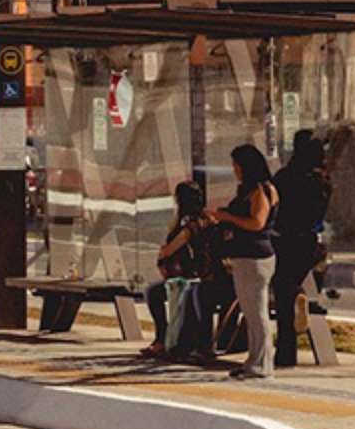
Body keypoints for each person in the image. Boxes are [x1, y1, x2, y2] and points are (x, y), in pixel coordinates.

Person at [208, 143, 280, 380]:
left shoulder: (261, 190)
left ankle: (262, 363)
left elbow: (257, 223)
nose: (234, 170)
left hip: (255, 256)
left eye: (237, 165)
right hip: (247, 255)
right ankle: (254, 360)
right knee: (251, 312)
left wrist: (228, 217)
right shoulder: (253, 190)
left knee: (257, 312)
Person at [271, 131, 331, 368]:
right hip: (310, 241)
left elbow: (274, 206)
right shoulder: (322, 180)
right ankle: (297, 294)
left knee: (282, 292)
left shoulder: (285, 177)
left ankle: (285, 353)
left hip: (285, 239)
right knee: (289, 286)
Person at [140, 181, 211, 359]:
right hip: (188, 275)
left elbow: (170, 248)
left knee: (153, 293)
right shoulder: (200, 219)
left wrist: (162, 256)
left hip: (190, 277)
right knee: (154, 292)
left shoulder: (190, 224)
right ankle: (162, 338)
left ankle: (164, 339)